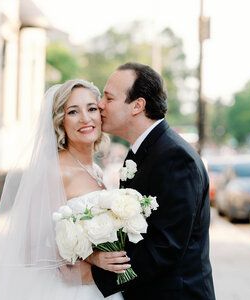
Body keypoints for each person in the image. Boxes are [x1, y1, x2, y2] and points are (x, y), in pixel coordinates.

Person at [0, 79, 128, 299]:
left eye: (91, 108)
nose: (85, 118)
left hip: (99, 288)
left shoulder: (95, 170)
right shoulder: (56, 171)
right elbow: (29, 249)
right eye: (73, 112)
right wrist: (93, 258)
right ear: (60, 122)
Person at [85, 62, 216, 299]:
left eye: (109, 98)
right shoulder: (143, 151)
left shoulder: (175, 158)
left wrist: (95, 276)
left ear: (137, 105)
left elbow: (166, 248)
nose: (100, 105)